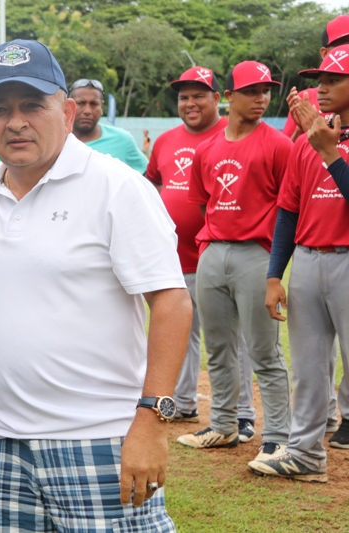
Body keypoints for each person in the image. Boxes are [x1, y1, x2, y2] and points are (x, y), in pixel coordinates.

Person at [0, 39, 191, 532]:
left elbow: (171, 301)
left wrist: (151, 421)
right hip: (3, 443)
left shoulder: (116, 187)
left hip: (100, 440)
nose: (15, 122)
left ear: (66, 112)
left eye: (32, 105)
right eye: (0, 109)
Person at [179, 61, 293, 467]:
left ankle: (278, 438)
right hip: (213, 251)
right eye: (251, 91)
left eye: (266, 91)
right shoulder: (206, 149)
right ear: (229, 96)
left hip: (256, 253)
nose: (261, 98)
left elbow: (290, 206)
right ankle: (224, 425)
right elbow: (204, 203)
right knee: (218, 347)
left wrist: (275, 266)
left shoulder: (278, 144)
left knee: (264, 351)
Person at [250, 46, 349, 482]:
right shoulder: (304, 144)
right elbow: (288, 212)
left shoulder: (319, 144)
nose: (320, 89)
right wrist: (275, 274)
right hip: (308, 260)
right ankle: (306, 455)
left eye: (333, 81)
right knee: (309, 368)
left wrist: (331, 153)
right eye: (319, 80)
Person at [145, 66, 258, 441]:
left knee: (230, 339)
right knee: (180, 333)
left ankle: (242, 414)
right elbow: (152, 184)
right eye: (184, 97)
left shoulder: (232, 137)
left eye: (199, 95)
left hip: (216, 256)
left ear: (218, 98)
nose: (190, 103)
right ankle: (182, 402)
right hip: (172, 259)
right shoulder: (166, 141)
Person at [282, 14, 349, 141]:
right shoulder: (305, 100)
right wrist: (302, 131)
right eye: (344, 45)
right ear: (325, 53)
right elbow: (289, 151)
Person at [68, 78, 148, 173]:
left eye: (94, 104)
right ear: (69, 106)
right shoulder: (56, 141)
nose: (87, 111)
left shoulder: (122, 141)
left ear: (101, 107)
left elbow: (150, 177)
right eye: (81, 103)